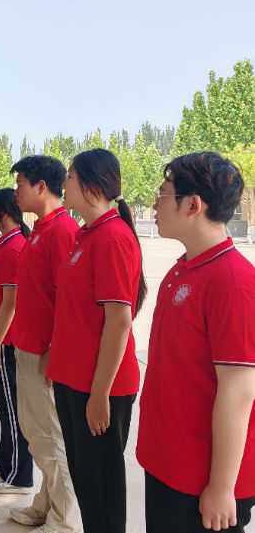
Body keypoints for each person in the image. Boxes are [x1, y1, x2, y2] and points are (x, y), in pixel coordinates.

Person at [137, 152, 255, 533]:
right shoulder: (184, 268)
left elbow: (238, 391)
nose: (155, 204)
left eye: (162, 194)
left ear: (192, 205)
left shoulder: (233, 282)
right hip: (168, 462)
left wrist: (221, 487)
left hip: (201, 481)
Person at [48, 148, 145, 533]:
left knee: (101, 491)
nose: (64, 183)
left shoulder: (112, 238)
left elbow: (119, 322)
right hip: (74, 381)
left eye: (70, 177)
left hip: (100, 387)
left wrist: (100, 394)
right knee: (88, 485)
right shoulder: (86, 235)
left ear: (91, 185)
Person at [10, 155, 82, 533]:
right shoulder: (40, 229)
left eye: (21, 184)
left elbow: (69, 299)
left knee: (52, 441)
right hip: (27, 345)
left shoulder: (63, 231)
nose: (16, 192)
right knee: (38, 437)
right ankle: (47, 503)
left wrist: (55, 350)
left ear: (41, 187)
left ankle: (64, 522)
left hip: (44, 353)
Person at [0, 189, 34, 496]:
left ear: (3, 214)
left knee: (13, 411)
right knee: (6, 408)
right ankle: (5, 463)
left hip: (7, 344)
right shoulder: (4, 245)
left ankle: (18, 476)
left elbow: (10, 303)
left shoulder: (13, 248)